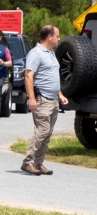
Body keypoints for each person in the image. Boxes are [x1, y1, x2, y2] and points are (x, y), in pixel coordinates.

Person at [21, 25, 68, 176]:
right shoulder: (36, 53)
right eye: (57, 36)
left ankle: (38, 163)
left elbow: (52, 77)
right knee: (42, 131)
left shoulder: (51, 53)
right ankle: (27, 162)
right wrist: (32, 99)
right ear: (49, 37)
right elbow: (28, 76)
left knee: (47, 133)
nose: (59, 39)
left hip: (53, 99)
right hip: (41, 99)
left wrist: (60, 94)